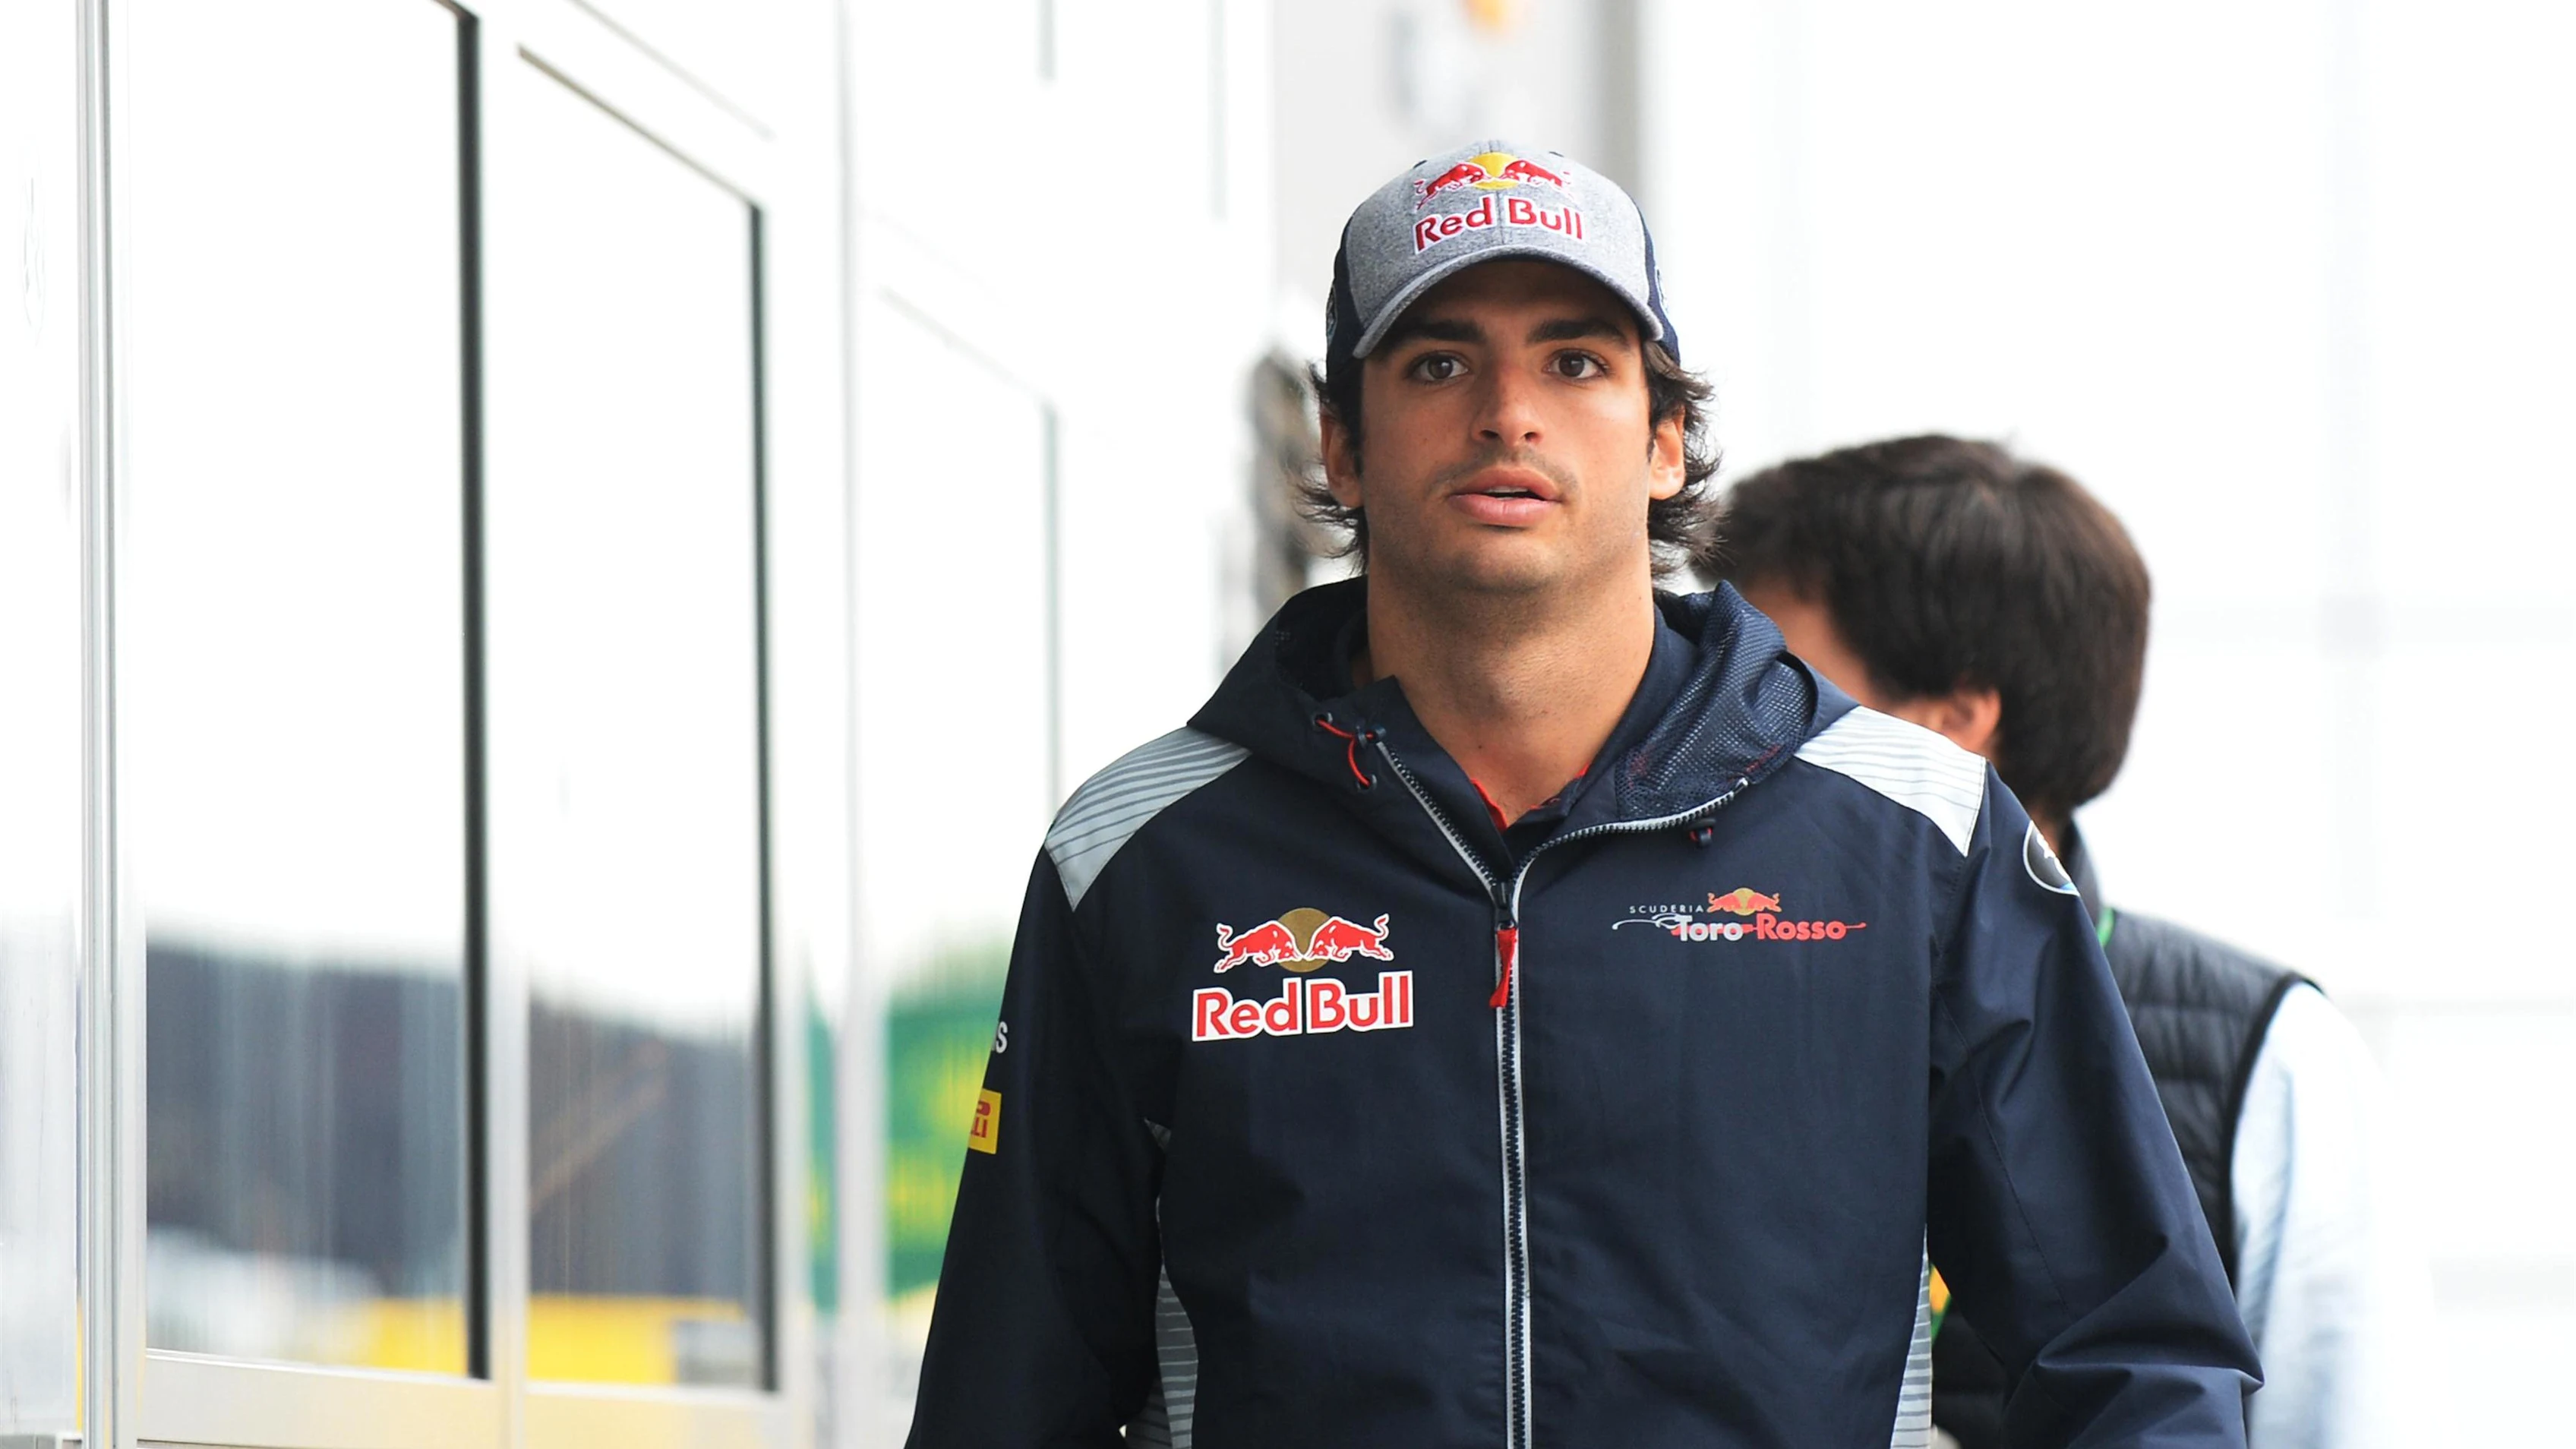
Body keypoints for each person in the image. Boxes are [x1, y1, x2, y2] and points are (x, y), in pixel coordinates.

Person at [904, 144, 2258, 1448]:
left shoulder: (1918, 838)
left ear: (1667, 439)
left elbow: (2134, 1354)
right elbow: (1008, 1402)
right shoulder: (1141, 856)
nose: (1509, 412)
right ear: (1345, 442)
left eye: (1576, 360)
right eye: (1440, 363)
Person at [1719, 434, 2423, 1449]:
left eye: (1782, 686)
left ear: (1950, 724)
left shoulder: (2270, 1055)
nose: (1719, 726)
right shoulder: (1682, 984)